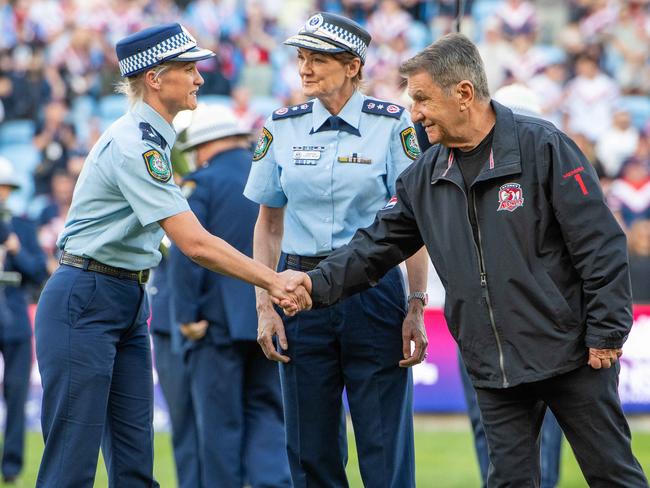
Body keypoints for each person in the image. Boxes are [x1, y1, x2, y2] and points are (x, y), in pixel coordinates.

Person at [280, 33, 649, 487]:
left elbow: (601, 243)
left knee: (614, 476)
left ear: (464, 94)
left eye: (421, 99)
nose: (413, 113)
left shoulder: (544, 147)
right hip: (493, 369)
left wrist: (607, 332)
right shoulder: (424, 175)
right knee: (509, 482)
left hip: (571, 355)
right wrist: (313, 284)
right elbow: (373, 247)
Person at [34, 23, 305, 488]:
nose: (200, 77)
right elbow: (194, 243)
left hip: (119, 295)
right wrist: (272, 279)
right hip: (88, 296)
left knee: (136, 467)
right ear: (155, 78)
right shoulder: (136, 144)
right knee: (70, 467)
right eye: (188, 68)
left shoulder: (150, 141)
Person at [244, 12, 429, 488]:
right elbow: (268, 224)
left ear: (352, 66)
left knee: (384, 446)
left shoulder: (391, 125)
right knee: (309, 450)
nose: (304, 68)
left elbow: (413, 227)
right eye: (301, 58)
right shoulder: (280, 127)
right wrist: (264, 304)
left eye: (318, 59)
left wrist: (415, 304)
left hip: (373, 288)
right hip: (297, 291)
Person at [168, 104, 292, 488]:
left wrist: (187, 317)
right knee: (268, 415)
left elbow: (187, 255)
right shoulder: (271, 176)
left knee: (220, 425)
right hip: (270, 316)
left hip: (216, 325)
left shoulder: (201, 184)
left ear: (203, 147)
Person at [0, 157, 48, 484]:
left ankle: (12, 467)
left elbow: (36, 270)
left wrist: (15, 249)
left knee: (17, 394)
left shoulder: (22, 225)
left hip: (15, 320)